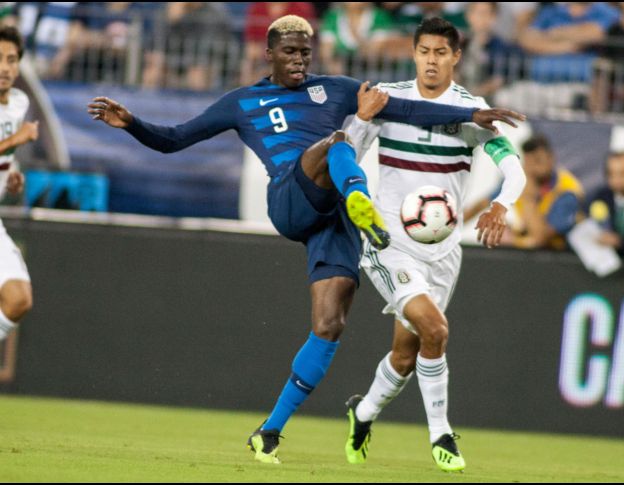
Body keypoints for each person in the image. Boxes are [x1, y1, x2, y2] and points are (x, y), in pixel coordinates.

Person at [87, 15, 523, 464]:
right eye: (290, 52)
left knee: (329, 326)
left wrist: (470, 114)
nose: (299, 60)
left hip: (333, 219)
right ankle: (359, 197)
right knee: (337, 142)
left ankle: (269, 431)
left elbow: (408, 109)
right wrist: (132, 123)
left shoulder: (335, 88)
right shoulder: (242, 101)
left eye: (305, 52)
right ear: (269, 54)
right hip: (291, 198)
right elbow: (174, 139)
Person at [342, 17, 526, 472]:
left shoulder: (472, 110)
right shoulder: (387, 99)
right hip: (388, 242)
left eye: (440, 53)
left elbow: (514, 169)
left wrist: (500, 205)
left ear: (455, 57)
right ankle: (441, 434)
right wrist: (358, 138)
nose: (431, 61)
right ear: (413, 53)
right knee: (437, 330)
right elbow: (348, 151)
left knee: (406, 355)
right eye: (424, 51)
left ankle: (363, 413)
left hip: (442, 252)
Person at [0, 26, 37, 344]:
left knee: (19, 298)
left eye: (11, 60)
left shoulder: (19, 102)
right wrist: (17, 139)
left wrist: (10, 173)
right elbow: (9, 142)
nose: (5, 67)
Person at [508, 134, 583, 251]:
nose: (531, 168)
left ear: (551, 158)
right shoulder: (519, 180)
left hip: (556, 255)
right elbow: (485, 203)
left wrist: (528, 198)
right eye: (527, 162)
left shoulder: (567, 192)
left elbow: (540, 239)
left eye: (537, 160)